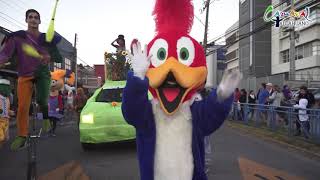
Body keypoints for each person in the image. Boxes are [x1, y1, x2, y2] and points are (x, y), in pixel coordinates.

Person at [0, 9, 62, 150]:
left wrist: (49, 57)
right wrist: (2, 60)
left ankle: (46, 118)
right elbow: (5, 53)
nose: (33, 19)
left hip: (43, 74)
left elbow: (58, 57)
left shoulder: (46, 38)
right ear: (26, 20)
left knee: (41, 99)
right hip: (25, 75)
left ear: (40, 21)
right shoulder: (18, 37)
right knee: (22, 106)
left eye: (36, 17)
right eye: (30, 17)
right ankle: (22, 135)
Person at [0, 78, 15, 147]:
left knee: (5, 138)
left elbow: (7, 109)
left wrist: (10, 112)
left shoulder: (7, 99)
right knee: (1, 137)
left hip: (6, 121)